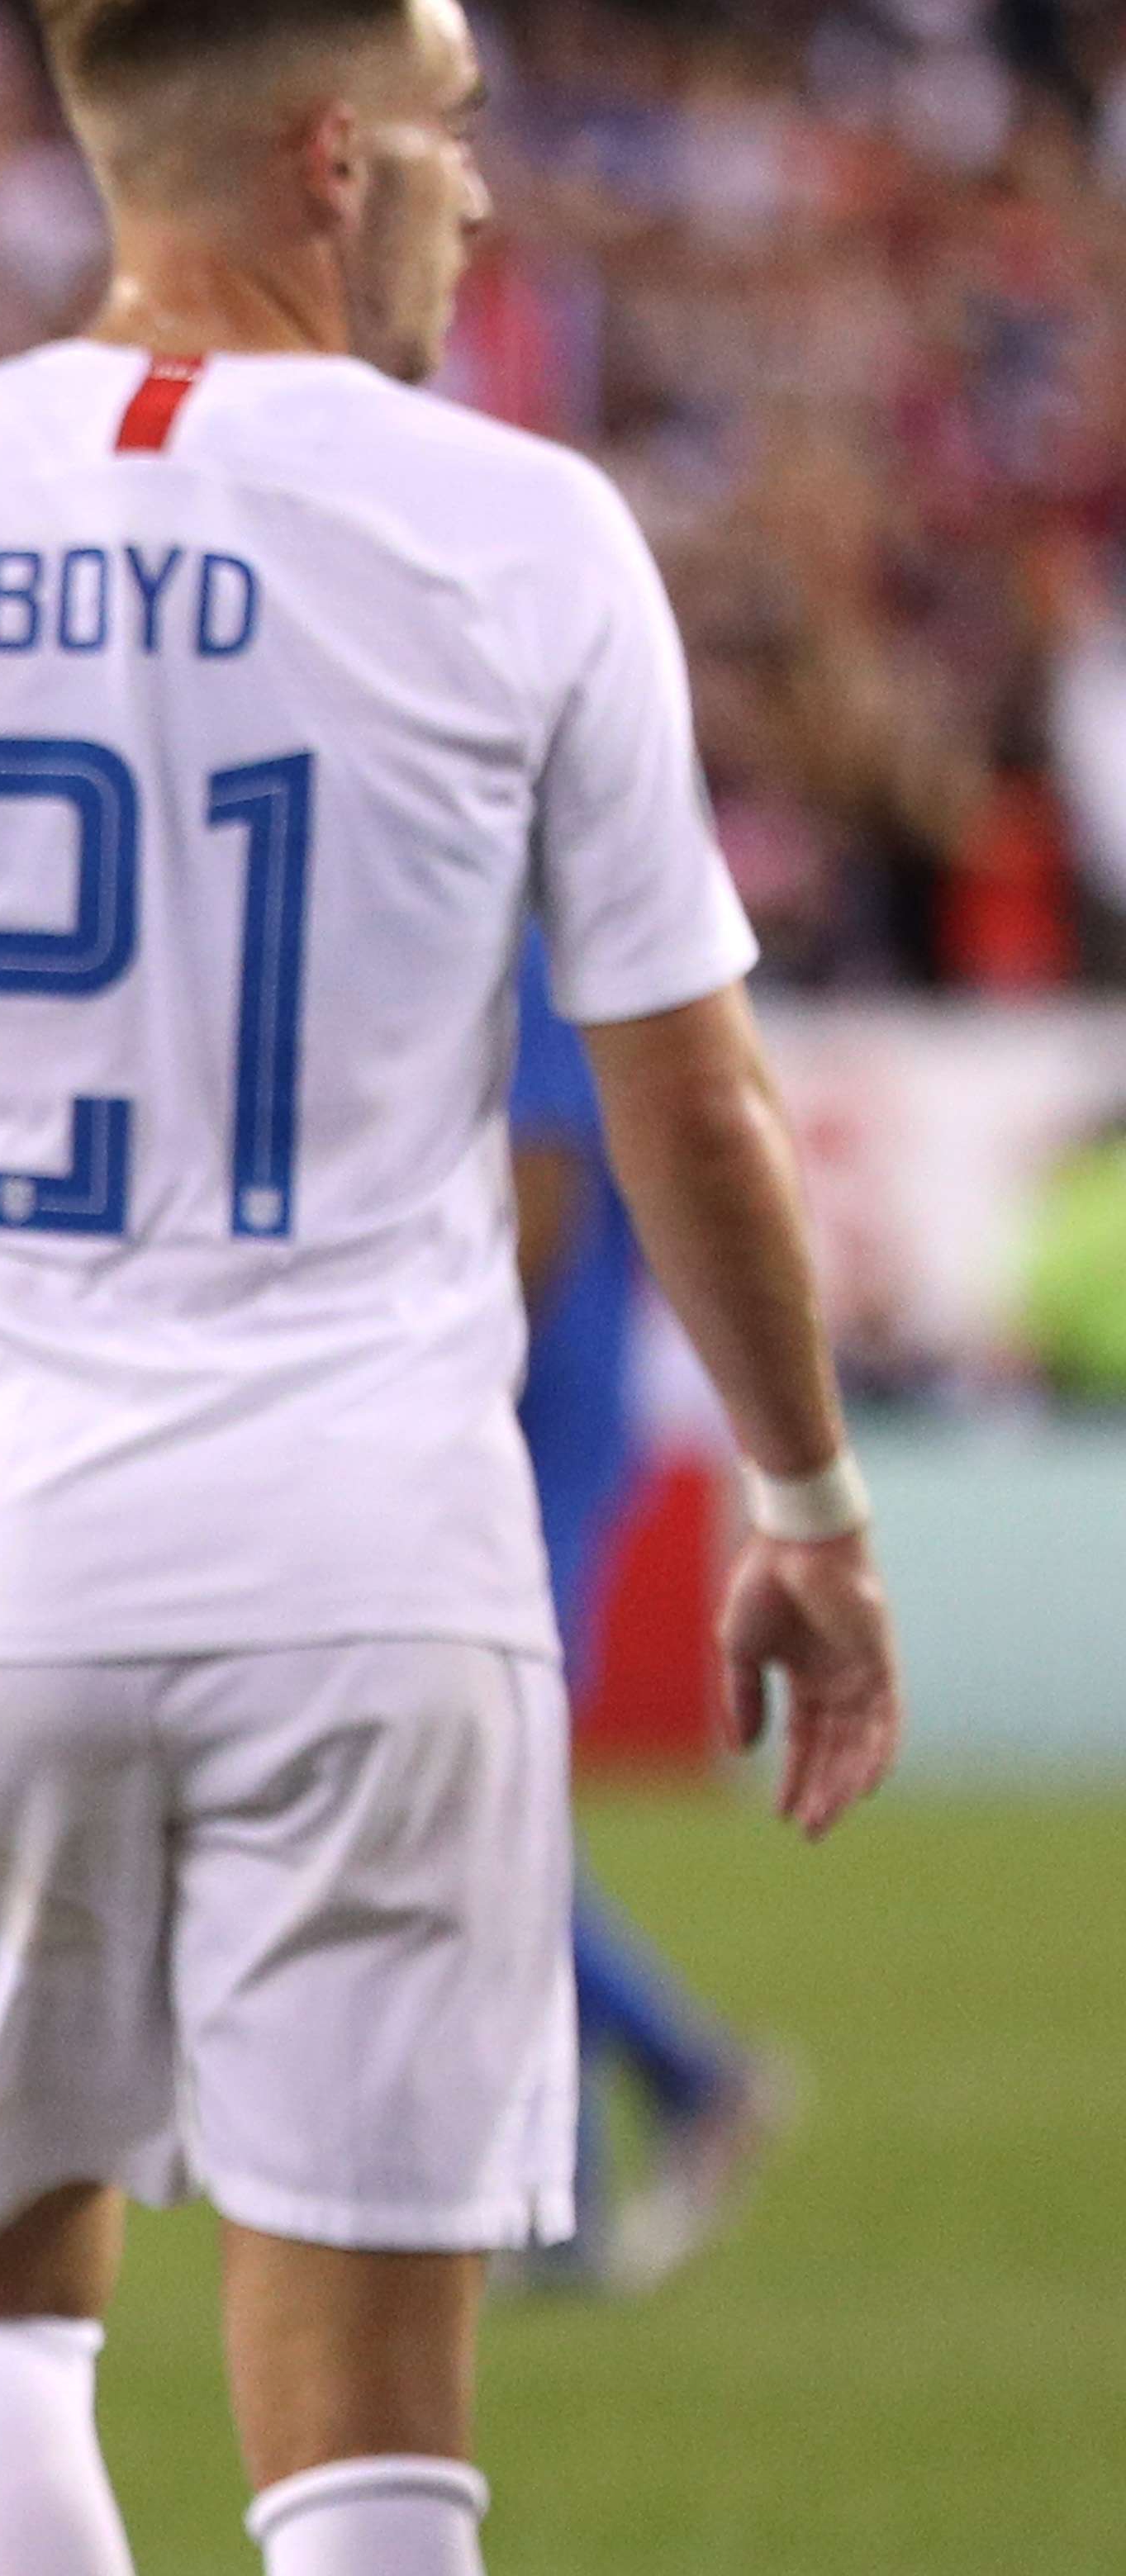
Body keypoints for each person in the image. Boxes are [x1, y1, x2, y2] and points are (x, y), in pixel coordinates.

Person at [0, 0, 904, 2576]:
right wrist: (803, 1499)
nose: (478, 192)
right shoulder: (520, 533)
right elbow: (691, 1092)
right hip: (377, 1557)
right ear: (330, 155)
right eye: (450, 131)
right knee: (373, 2421)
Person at [501, 937, 779, 2294]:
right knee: (485, 1817)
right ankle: (602, 2156)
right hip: (528, 1431)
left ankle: (663, 2097)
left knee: (481, 1813)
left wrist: (438, 1378)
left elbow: (542, 1184)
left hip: (523, 1437)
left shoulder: (518, 947)